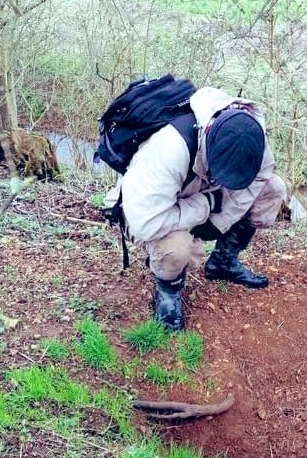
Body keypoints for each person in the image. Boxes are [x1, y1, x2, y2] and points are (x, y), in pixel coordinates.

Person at [117, 86, 287, 331]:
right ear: (208, 138)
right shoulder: (168, 148)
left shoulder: (251, 133)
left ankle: (223, 262)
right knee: (176, 249)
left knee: (274, 188)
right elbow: (147, 223)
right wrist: (205, 207)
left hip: (203, 197)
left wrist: (219, 222)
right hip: (149, 209)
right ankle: (168, 294)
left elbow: (259, 179)